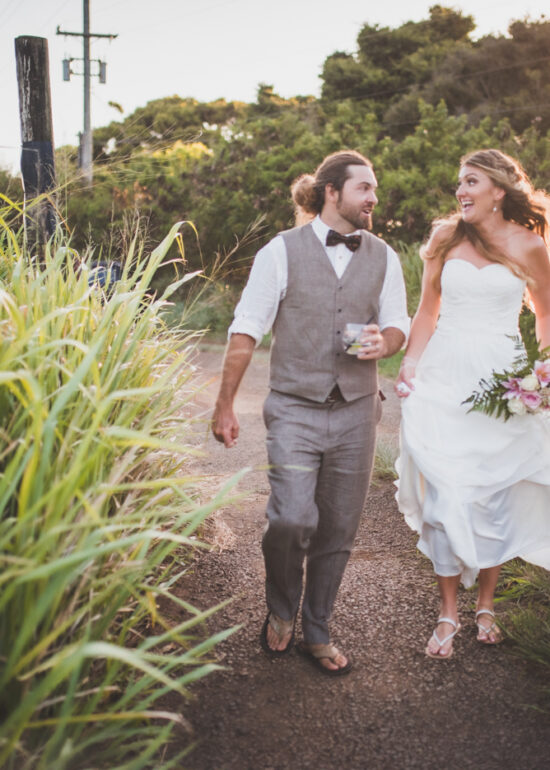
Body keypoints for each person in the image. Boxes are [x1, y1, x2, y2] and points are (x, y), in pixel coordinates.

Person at [212, 150, 408, 675]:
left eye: (374, 188)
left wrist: (382, 344)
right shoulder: (280, 251)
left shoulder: (384, 255)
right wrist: (224, 403)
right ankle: (280, 610)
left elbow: (397, 325)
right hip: (295, 408)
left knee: (338, 528)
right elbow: (246, 328)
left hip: (356, 410)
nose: (373, 198)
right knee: (292, 519)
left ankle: (316, 629)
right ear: (332, 192)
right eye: (364, 188)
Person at [395, 148, 550, 660]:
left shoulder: (530, 245)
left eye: (471, 181)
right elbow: (426, 312)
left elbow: (546, 316)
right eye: (459, 182)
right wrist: (411, 362)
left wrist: (545, 371)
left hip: (505, 383)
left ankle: (486, 604)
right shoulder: (445, 240)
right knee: (445, 494)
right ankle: (447, 612)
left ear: (498, 191)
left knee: (494, 493)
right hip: (444, 379)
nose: (461, 190)